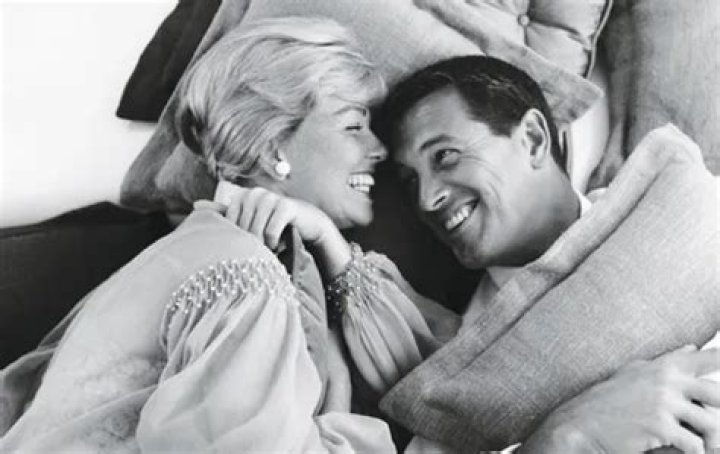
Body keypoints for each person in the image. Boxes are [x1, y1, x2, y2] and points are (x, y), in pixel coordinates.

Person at [0, 17, 459, 452]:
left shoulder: (213, 248)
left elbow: (441, 380)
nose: (379, 149)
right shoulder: (245, 277)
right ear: (272, 146)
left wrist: (329, 243)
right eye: (354, 125)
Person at [375, 55, 720, 453]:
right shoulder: (466, 370)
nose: (426, 199)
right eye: (410, 182)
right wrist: (567, 435)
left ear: (534, 139)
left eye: (445, 156)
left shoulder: (680, 211)